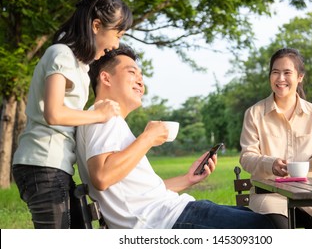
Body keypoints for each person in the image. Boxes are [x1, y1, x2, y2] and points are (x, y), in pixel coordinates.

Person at [75, 44, 275, 229]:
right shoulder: (103, 115)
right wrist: (147, 138)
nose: (140, 80)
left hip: (172, 213)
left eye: (141, 75)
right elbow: (102, 177)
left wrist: (188, 179)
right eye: (132, 72)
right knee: (269, 226)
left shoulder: (110, 121)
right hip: (167, 221)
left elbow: (144, 194)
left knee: (266, 220)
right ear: (106, 78)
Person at [12, 0, 133, 229]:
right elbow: (54, 113)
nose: (116, 44)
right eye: (118, 34)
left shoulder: (80, 66)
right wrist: (98, 115)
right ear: (96, 26)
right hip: (42, 162)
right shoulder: (62, 54)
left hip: (56, 165)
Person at [239, 47, 312, 229]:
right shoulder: (254, 113)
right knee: (281, 232)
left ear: (300, 77)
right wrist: (270, 163)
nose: (280, 79)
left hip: (310, 195)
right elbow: (246, 157)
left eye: (287, 73)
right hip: (268, 195)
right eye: (275, 72)